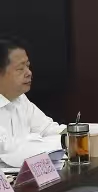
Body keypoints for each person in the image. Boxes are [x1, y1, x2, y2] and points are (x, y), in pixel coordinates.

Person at [0, 35, 63, 166]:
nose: (29, 73)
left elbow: (48, 129)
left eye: (28, 66)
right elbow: (9, 151)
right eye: (20, 69)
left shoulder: (20, 99)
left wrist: (79, 134)